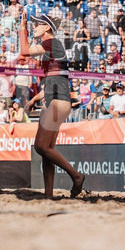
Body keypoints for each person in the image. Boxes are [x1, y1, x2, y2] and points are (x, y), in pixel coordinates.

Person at [19, 12, 86, 198]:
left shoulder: (52, 43)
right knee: (47, 151)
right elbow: (52, 80)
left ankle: (77, 176)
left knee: (41, 146)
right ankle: (48, 196)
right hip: (53, 100)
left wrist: (22, 27)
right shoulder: (49, 50)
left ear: (47, 28)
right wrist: (33, 100)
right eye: (32, 25)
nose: (34, 27)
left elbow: (24, 51)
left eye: (37, 25)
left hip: (58, 102)